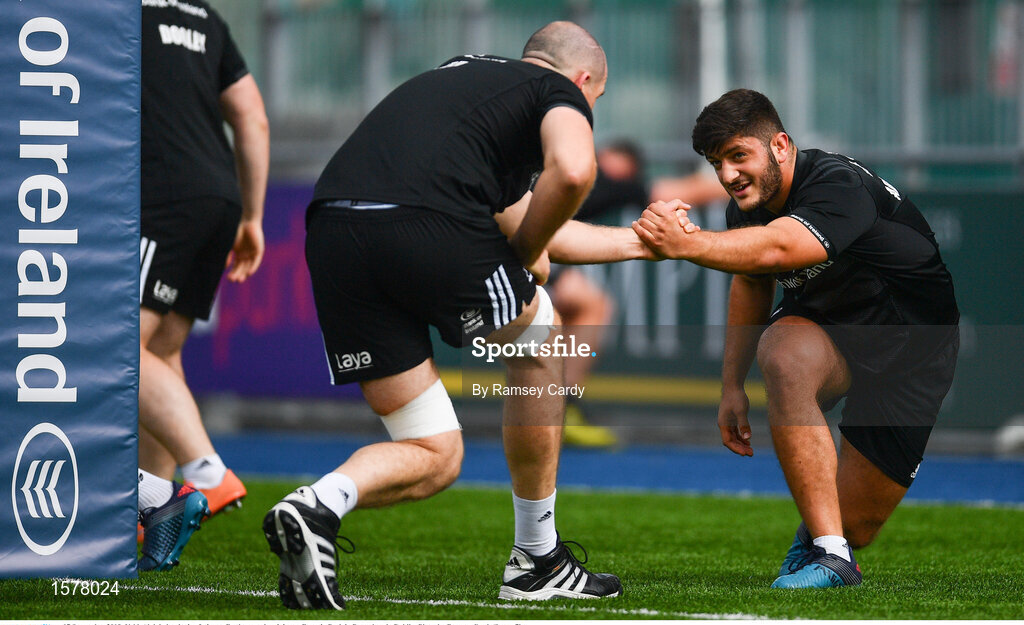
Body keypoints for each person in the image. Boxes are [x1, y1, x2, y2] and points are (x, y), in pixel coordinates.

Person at [264, 21, 658, 609]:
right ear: (583, 80)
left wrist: (641, 242)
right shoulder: (559, 92)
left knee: (434, 454)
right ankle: (536, 560)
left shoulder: (466, 85)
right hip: (422, 221)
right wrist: (527, 257)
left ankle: (318, 505)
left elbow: (531, 219)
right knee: (545, 339)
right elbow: (574, 173)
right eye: (592, 100)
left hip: (333, 230)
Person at [633, 89, 959, 589]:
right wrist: (731, 386)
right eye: (716, 163)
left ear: (780, 145)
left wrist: (688, 244)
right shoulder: (746, 206)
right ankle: (833, 557)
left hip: (913, 351)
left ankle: (823, 538)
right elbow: (749, 283)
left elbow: (780, 249)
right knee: (784, 355)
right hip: (829, 333)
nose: (727, 176)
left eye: (738, 155)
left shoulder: (837, 184)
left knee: (860, 524)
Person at [137, 0, 269, 571]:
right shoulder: (206, 18)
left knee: (117, 348)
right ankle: (157, 518)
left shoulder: (106, 14)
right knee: (160, 354)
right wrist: (252, 216)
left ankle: (206, 474)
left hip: (158, 192)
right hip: (218, 196)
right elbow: (251, 117)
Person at [553, 140, 648, 448]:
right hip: (490, 248)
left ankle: (561, 408)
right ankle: (557, 409)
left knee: (587, 304)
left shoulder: (614, 187)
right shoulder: (570, 167)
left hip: (525, 251)